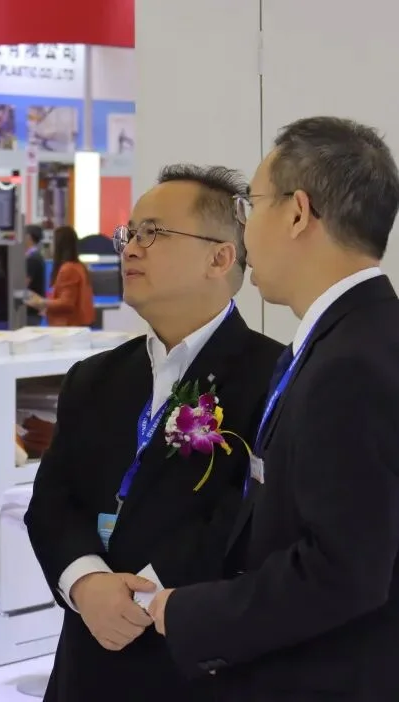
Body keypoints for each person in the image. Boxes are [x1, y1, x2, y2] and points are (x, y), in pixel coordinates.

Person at [150, 117, 399, 702]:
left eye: (252, 206)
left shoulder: (350, 363)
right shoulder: (349, 338)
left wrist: (190, 613)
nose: (244, 229)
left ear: (297, 213)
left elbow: (342, 570)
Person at [24, 165, 284, 701]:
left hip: (198, 662)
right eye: (130, 233)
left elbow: (252, 518)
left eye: (154, 233)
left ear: (220, 258)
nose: (131, 249)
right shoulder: (94, 377)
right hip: (88, 657)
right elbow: (52, 502)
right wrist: (86, 583)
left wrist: (141, 596)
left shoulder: (274, 377)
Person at [24, 225, 95, 327]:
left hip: (68, 325)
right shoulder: (79, 266)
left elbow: (66, 303)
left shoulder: (68, 269)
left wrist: (41, 302)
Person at [24, 224, 46, 325]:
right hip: (32, 310)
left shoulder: (32, 259)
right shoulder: (36, 256)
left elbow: (24, 284)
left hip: (30, 311)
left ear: (28, 237)